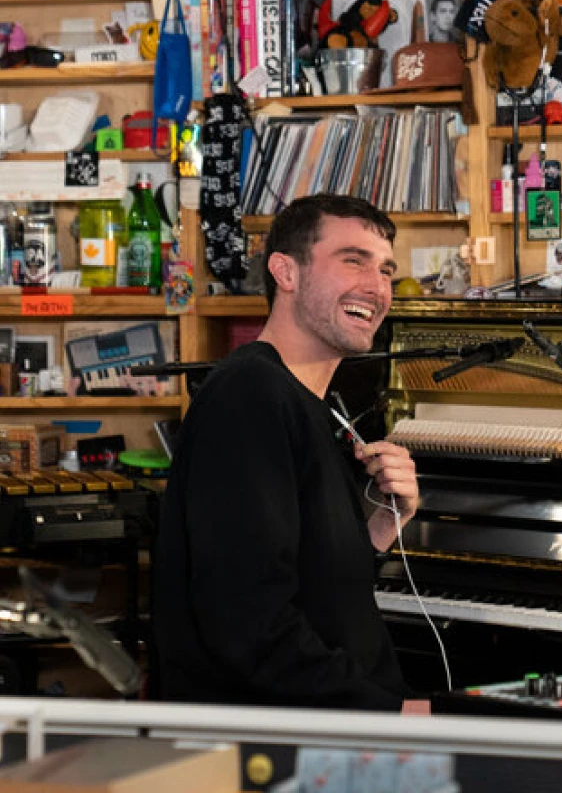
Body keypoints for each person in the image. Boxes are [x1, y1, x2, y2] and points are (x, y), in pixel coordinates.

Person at [153, 194, 424, 712]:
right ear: (286, 272)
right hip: (285, 744)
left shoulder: (307, 402)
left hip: (338, 722)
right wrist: (396, 715)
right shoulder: (250, 395)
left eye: (386, 269)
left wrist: (375, 533)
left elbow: (304, 587)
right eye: (353, 261)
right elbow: (248, 621)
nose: (377, 286)